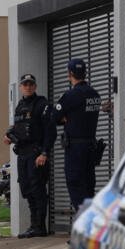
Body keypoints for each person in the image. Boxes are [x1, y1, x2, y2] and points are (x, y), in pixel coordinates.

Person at [44, 58, 101, 211]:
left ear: (70, 74)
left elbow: (54, 117)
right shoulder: (95, 95)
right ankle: (91, 227)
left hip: (75, 148)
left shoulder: (70, 96)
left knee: (76, 185)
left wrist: (66, 119)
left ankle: (84, 227)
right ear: (85, 72)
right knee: (89, 186)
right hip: (91, 146)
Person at [4, 73, 51, 238]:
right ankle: (33, 225)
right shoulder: (20, 106)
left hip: (36, 154)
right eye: (25, 84)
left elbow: (49, 131)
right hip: (22, 154)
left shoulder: (42, 104)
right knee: (27, 189)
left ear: (35, 86)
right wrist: (9, 135)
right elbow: (18, 127)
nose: (28, 86)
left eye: (31, 84)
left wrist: (44, 153)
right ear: (21, 87)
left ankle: (39, 226)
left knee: (37, 189)